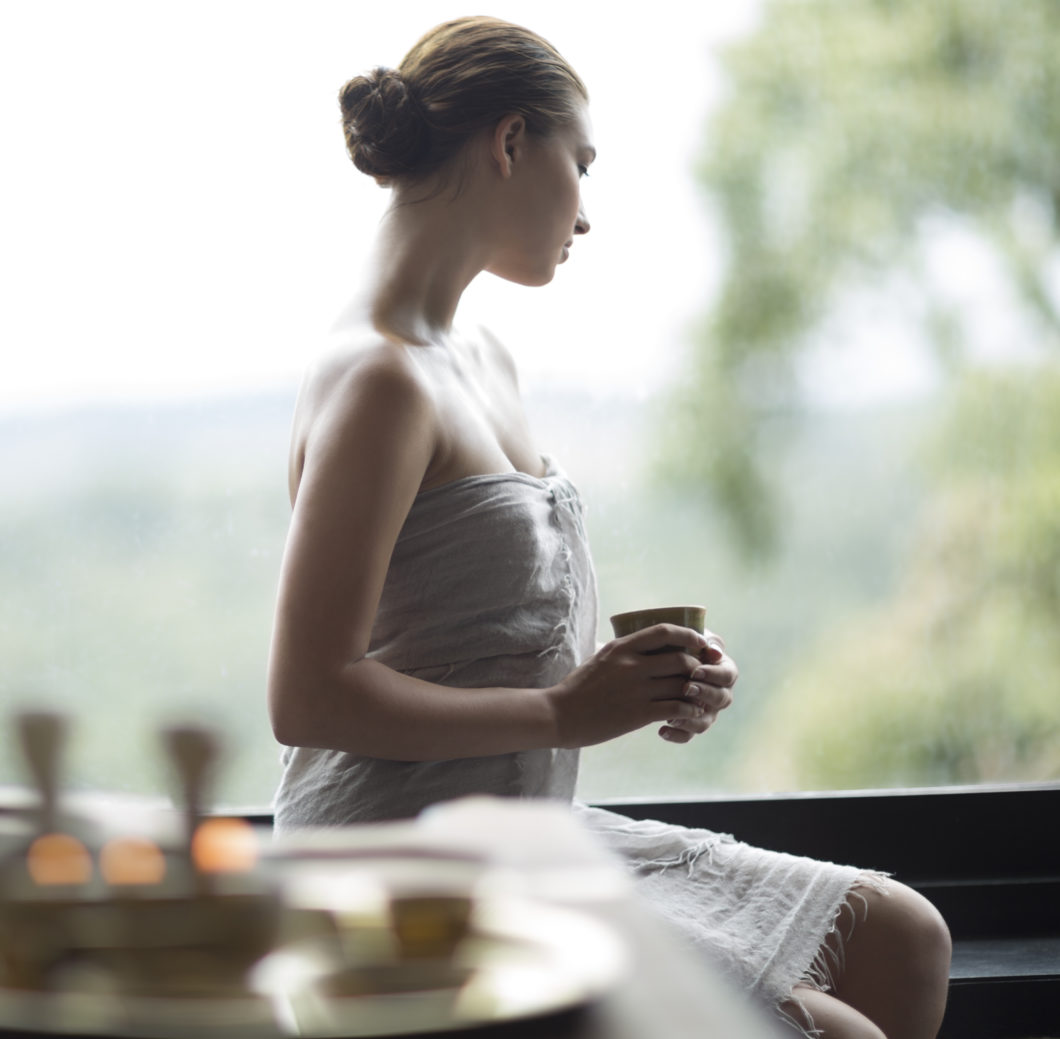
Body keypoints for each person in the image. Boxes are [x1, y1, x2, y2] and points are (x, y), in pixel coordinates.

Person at [266, 16, 951, 1038]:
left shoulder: (481, 358)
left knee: (904, 936)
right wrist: (564, 712)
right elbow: (308, 695)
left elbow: (475, 629)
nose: (585, 213)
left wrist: (648, 679)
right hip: (396, 865)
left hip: (522, 832)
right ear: (510, 143)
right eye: (580, 164)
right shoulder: (380, 380)